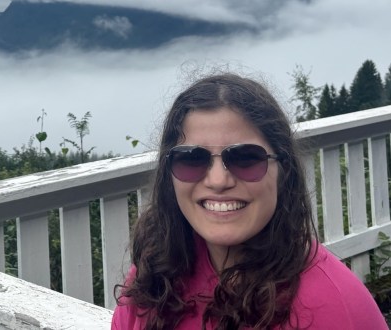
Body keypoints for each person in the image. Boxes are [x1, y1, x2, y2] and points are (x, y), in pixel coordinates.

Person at [111, 73, 386, 330]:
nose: (218, 180)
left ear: (283, 171)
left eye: (245, 159)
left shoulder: (333, 309)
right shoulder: (157, 276)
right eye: (192, 159)